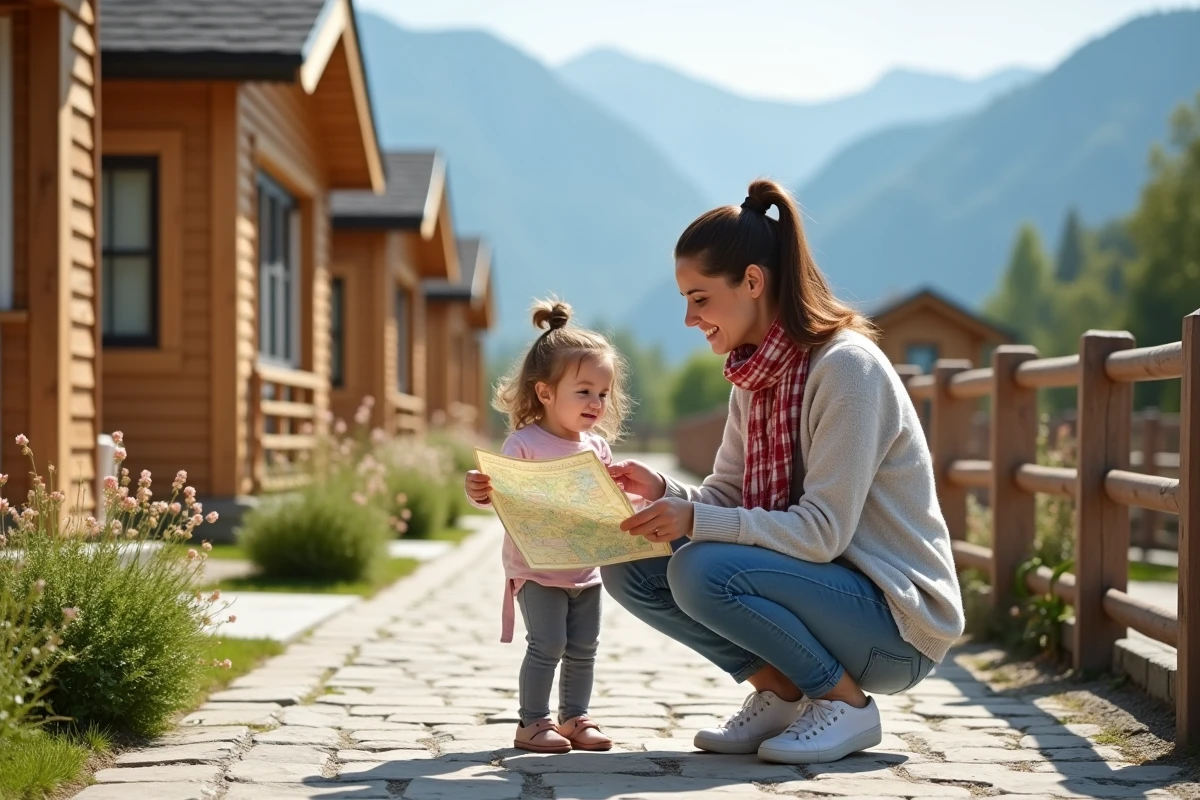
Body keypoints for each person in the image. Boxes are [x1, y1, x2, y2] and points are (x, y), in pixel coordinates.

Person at [602, 178, 965, 765]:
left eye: (699, 297)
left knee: (698, 567)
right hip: (824, 594)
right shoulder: (755, 376)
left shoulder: (847, 371)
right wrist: (665, 494)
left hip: (893, 627)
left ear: (752, 281)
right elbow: (727, 493)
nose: (690, 318)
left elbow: (821, 532)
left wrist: (692, 519)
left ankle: (845, 705)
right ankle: (779, 690)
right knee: (629, 563)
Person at [464, 299, 629, 754]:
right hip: (537, 568)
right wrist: (478, 489)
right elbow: (497, 495)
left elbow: (607, 508)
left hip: (585, 568)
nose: (596, 403)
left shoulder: (596, 448)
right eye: (584, 391)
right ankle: (532, 723)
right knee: (547, 644)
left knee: (584, 646)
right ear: (545, 393)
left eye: (603, 393)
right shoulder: (524, 444)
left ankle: (575, 717)